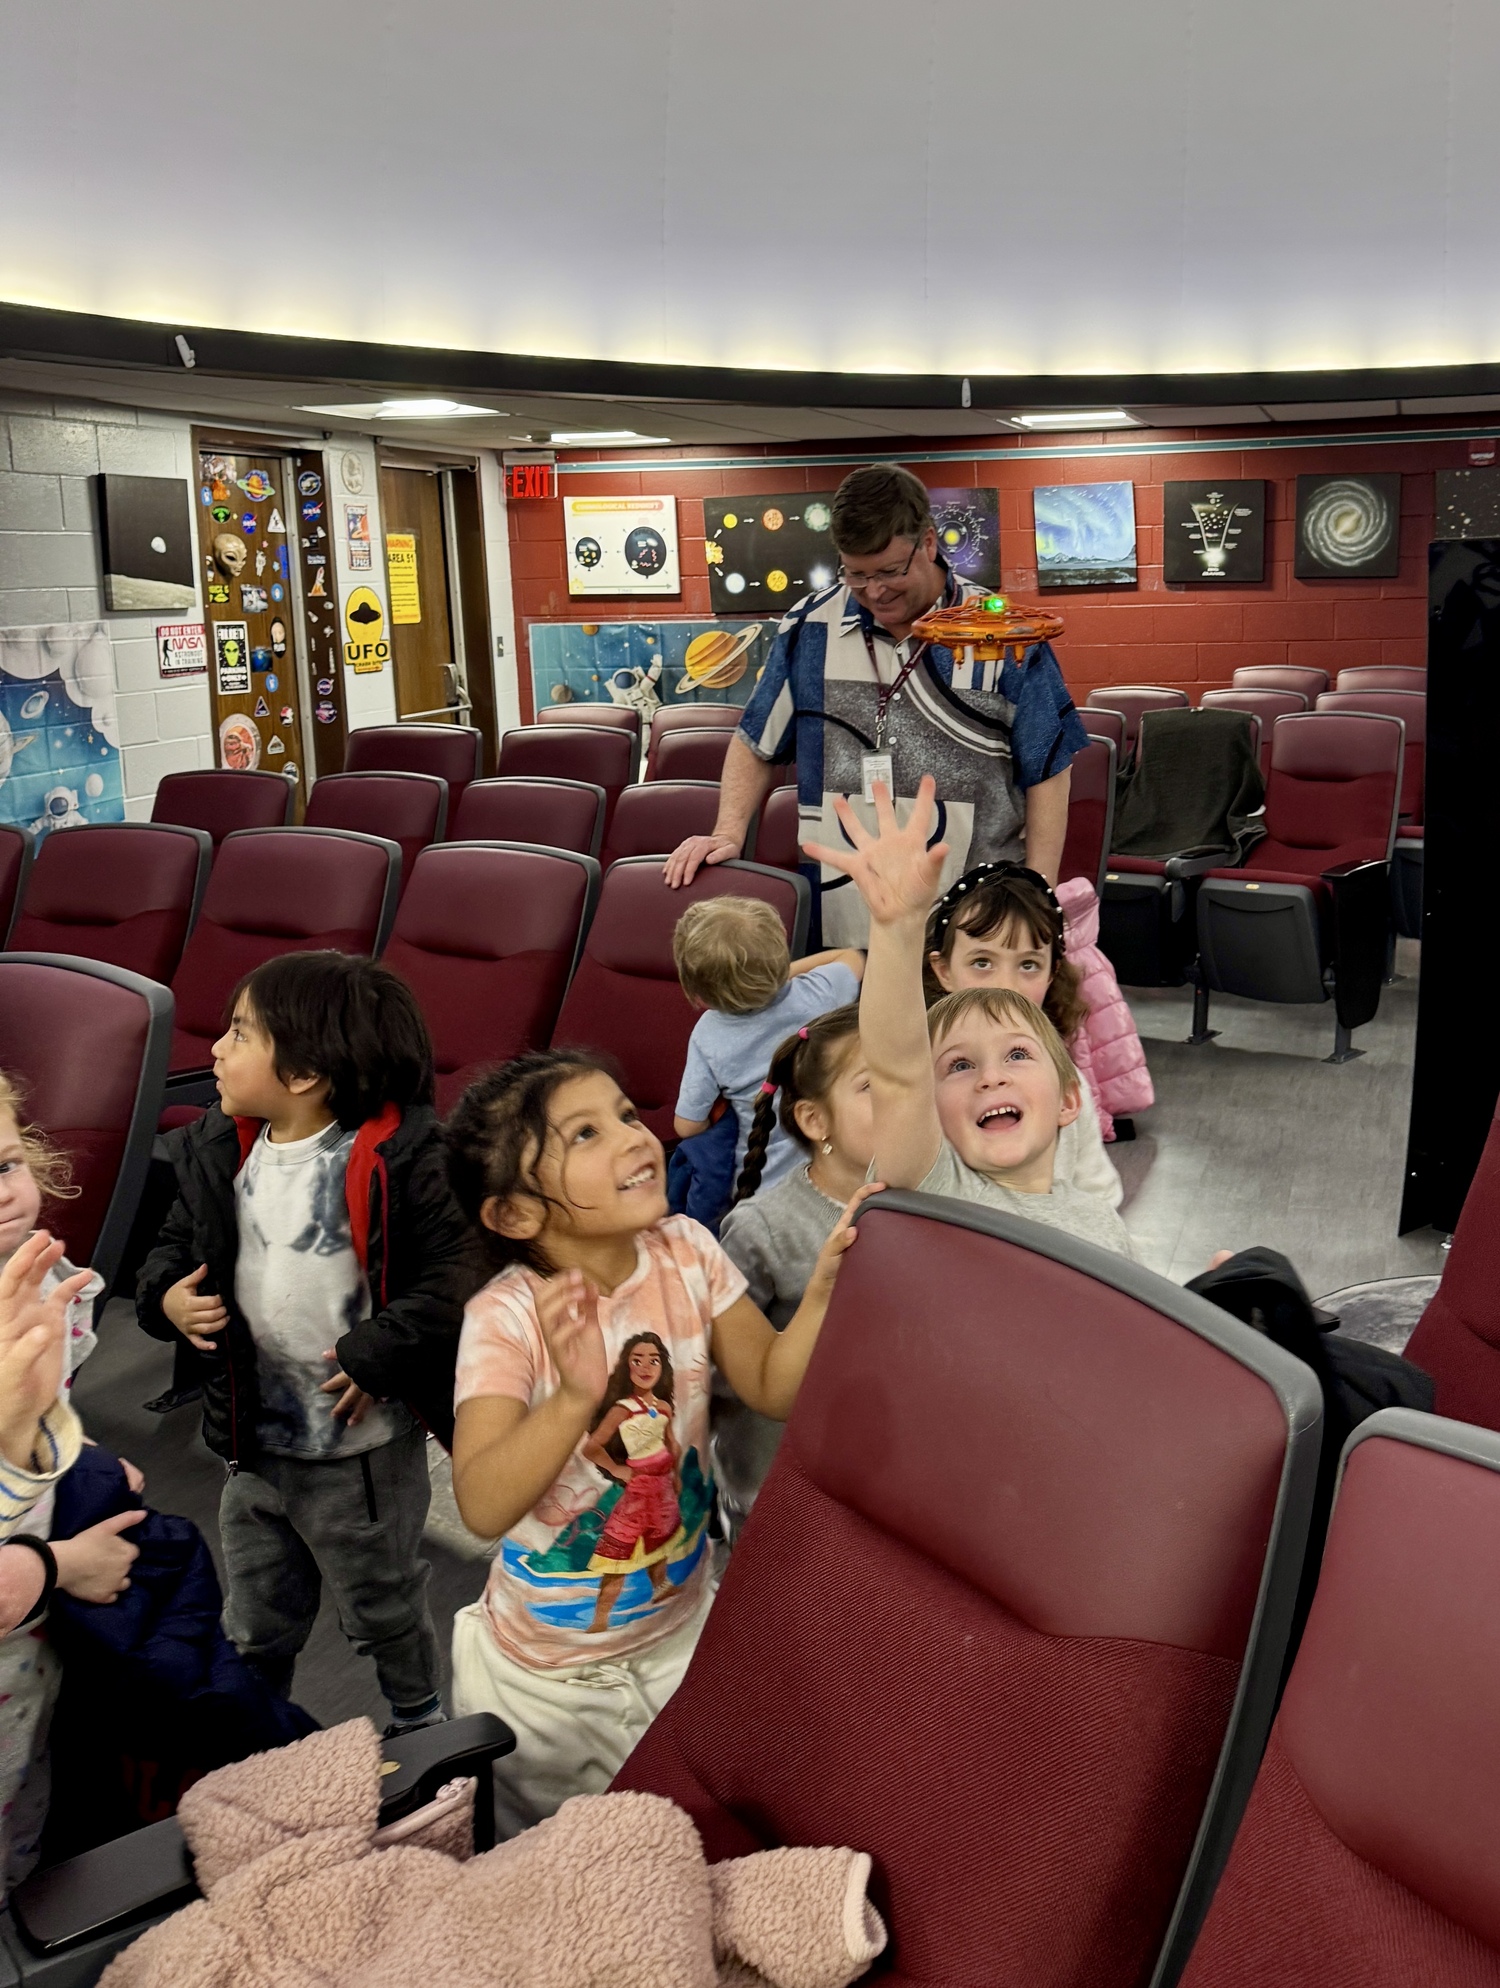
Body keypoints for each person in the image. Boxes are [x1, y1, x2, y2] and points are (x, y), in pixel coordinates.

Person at [444, 1049, 875, 1833]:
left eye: (620, 1112)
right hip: (548, 1682)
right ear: (515, 1215)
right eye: (584, 1133)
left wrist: (820, 1294)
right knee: (569, 1866)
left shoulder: (687, 1251)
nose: (632, 1135)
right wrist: (577, 1394)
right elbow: (480, 1501)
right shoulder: (506, 1318)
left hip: (681, 1630)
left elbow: (771, 1383)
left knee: (695, 1830)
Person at [136, 952, 474, 1737]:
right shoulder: (224, 1151)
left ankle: (420, 1721)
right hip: (250, 1438)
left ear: (305, 1073)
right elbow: (174, 1246)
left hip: (357, 1452)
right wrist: (165, 1299)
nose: (215, 1049)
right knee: (255, 1608)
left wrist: (374, 1354)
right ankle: (253, 1725)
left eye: (239, 1034)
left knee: (381, 1599)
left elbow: (456, 1278)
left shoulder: (404, 1158)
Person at [665, 463, 1090, 945]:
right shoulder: (809, 628)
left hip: (973, 921)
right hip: (840, 920)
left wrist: (1040, 889)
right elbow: (756, 741)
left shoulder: (1001, 635)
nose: (875, 591)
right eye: (857, 575)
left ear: (929, 543)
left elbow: (1049, 768)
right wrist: (727, 831)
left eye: (890, 571)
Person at [809, 777, 1134, 1258]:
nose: (991, 1080)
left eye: (1027, 964)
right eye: (960, 1065)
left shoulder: (1095, 1219)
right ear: (942, 968)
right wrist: (896, 928)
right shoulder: (941, 1178)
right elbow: (899, 1072)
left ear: (1067, 1101)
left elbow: (1106, 1215)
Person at [714, 1003, 873, 1532]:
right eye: (875, 1085)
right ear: (814, 1119)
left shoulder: (922, 1199)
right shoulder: (763, 1229)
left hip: (870, 1475)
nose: (908, 1101)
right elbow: (723, 1375)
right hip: (778, 1489)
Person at [923, 863, 1125, 1208]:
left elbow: (1098, 1196)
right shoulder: (916, 1071)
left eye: (1028, 965)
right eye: (983, 962)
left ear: (1051, 974)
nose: (1006, 985)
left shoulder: (1061, 1078)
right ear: (944, 970)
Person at [671, 894, 863, 1191]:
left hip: (758, 1184)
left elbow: (687, 1125)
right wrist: (775, 975)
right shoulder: (817, 994)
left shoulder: (707, 1035)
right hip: (836, 1174)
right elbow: (851, 956)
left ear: (700, 995)